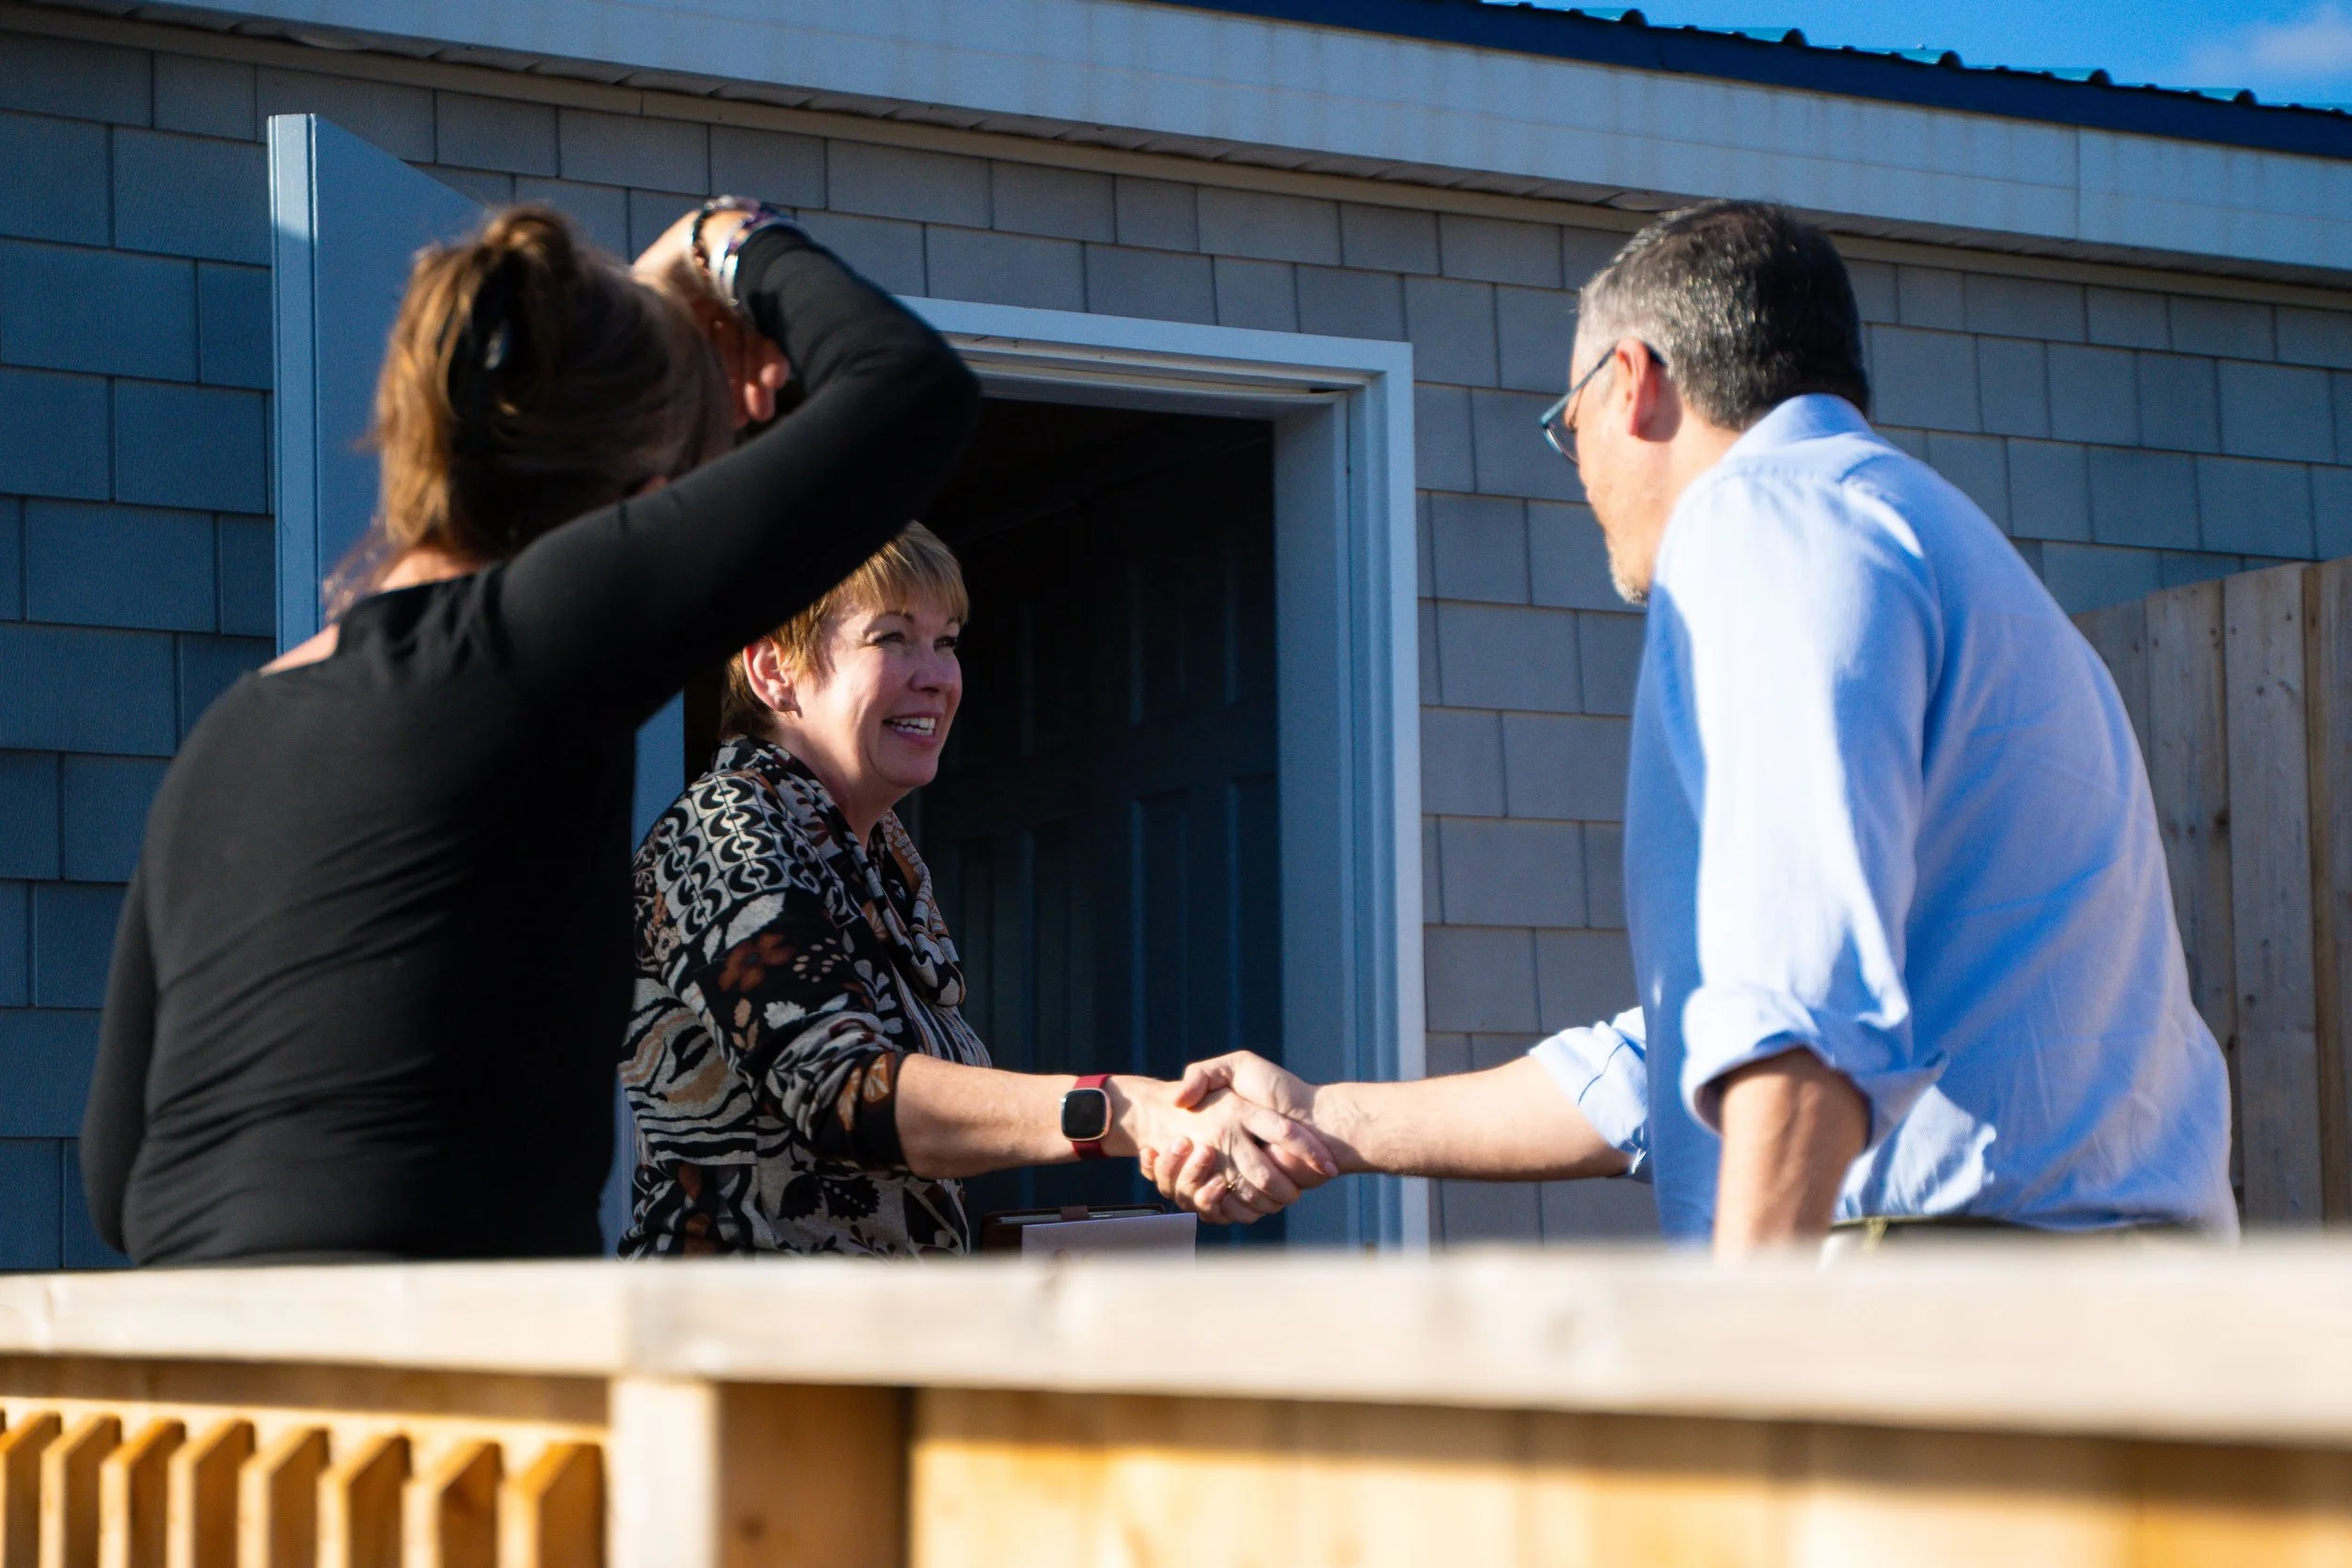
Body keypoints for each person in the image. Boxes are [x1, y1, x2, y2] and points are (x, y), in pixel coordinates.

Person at [1144, 200, 2236, 1256]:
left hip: (1960, 1307)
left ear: (1630, 381)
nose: (1577, 474)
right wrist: (1326, 1116)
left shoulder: (1759, 517)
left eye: (1564, 427)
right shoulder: (1945, 551)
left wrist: (1734, 1374)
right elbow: (1679, 1057)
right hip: (2116, 1299)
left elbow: (1797, 1018)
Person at [81, 198, 987, 1262]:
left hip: (200, 1393)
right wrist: (721, 238)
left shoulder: (230, 733)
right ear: (635, 504)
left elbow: (116, 1173)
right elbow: (913, 389)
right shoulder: (534, 636)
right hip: (435, 1377)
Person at [623, 523, 1333, 1256]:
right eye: (892, 637)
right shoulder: (725, 828)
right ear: (775, 671)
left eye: (947, 641)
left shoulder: (884, 854)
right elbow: (843, 1091)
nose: (936, 675)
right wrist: (1137, 1112)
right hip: (744, 1344)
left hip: (883, 1341)